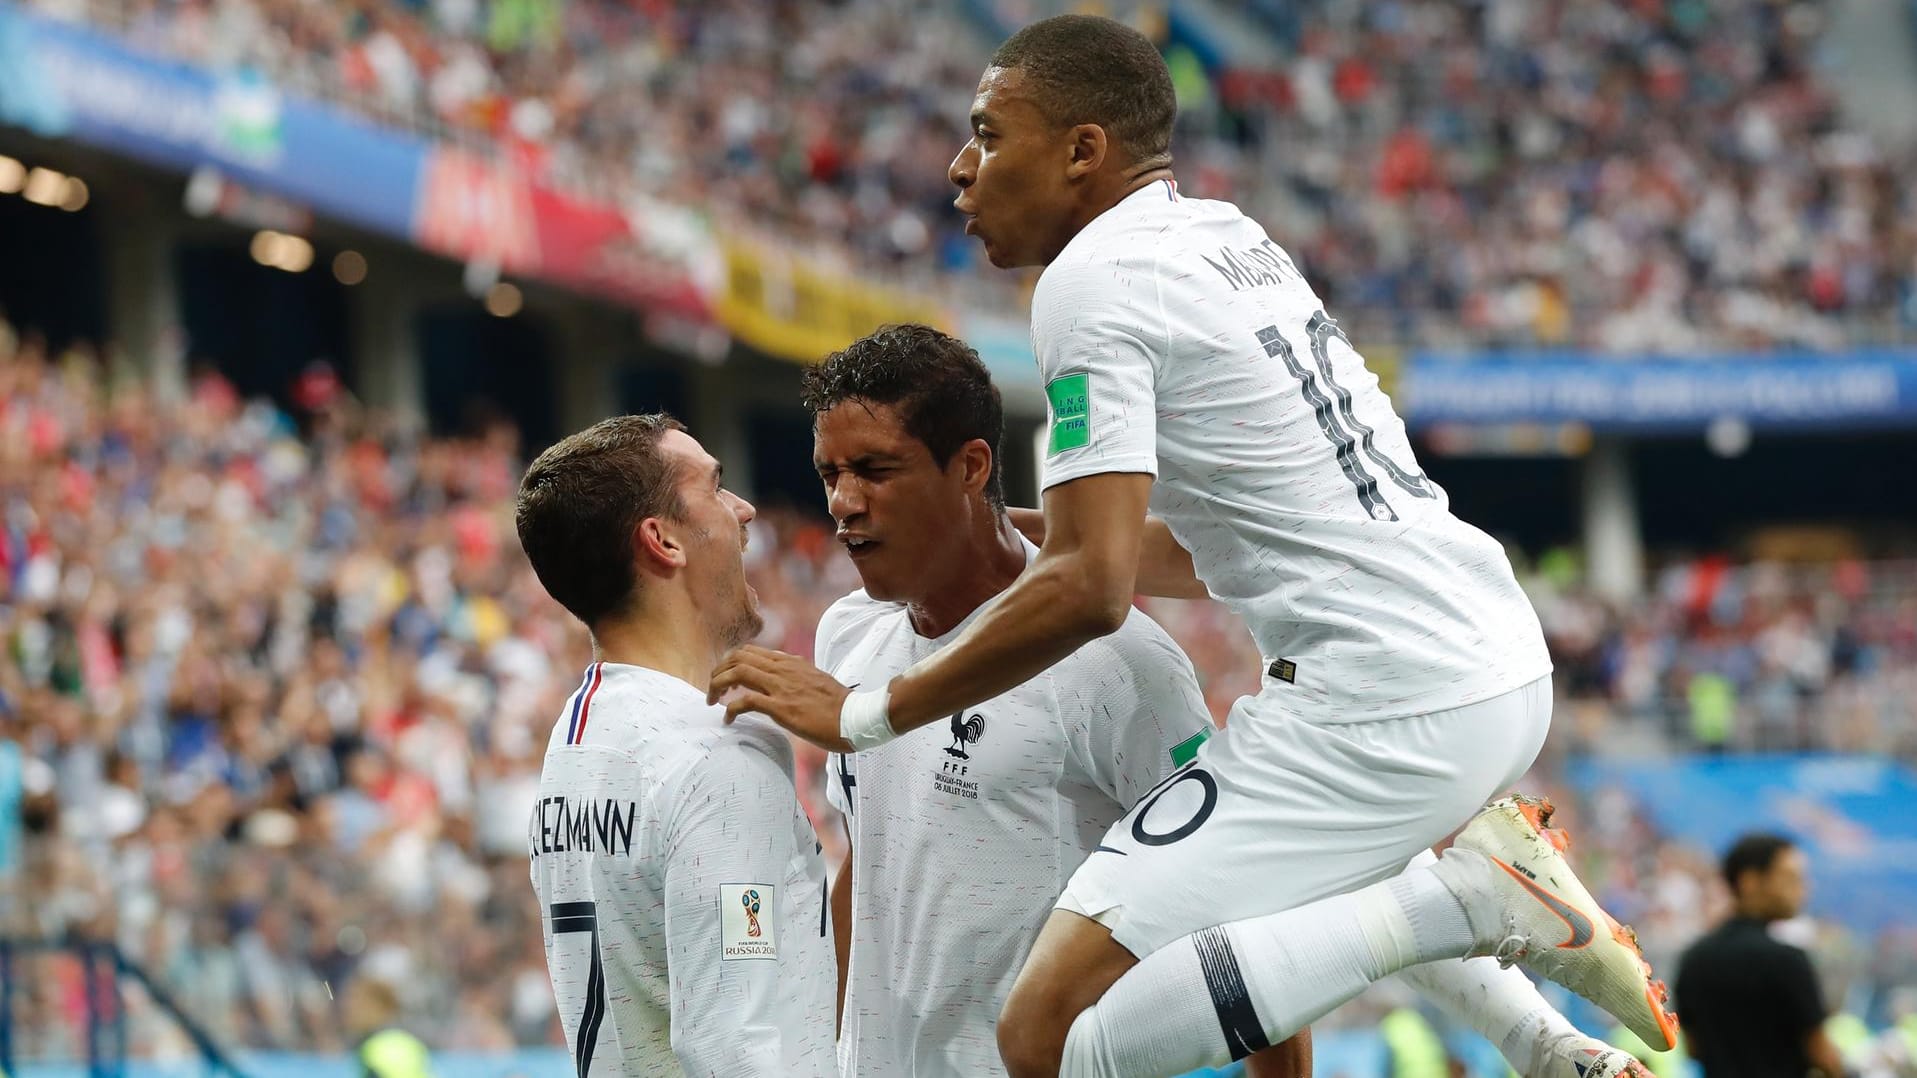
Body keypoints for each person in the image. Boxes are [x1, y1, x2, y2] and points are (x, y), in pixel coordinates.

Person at [705, 14, 1676, 1078]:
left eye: (988, 133)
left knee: (1042, 1035)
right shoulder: (1224, 237)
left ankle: (1469, 898)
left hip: (1383, 692)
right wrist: (1050, 526)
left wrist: (857, 715)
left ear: (1083, 151)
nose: (960, 166)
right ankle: (1542, 1038)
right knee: (1299, 881)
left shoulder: (1089, 282)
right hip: (1481, 652)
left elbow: (1089, 588)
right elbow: (1234, 537)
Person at [802, 324, 1308, 1077]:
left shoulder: (1119, 664)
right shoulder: (848, 633)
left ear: (970, 466)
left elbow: (1235, 907)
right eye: (829, 473)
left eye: (875, 469)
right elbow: (868, 858)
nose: (843, 503)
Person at [517, 414, 836, 1076]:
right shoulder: (715, 758)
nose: (744, 510)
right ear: (662, 540)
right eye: (715, 488)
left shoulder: (576, 744)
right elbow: (738, 1046)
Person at [1675, 834, 1845, 1078]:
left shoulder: (1694, 958)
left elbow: (1692, 1049)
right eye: (1789, 877)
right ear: (1750, 881)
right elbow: (1821, 1053)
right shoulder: (1788, 960)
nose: (1803, 888)